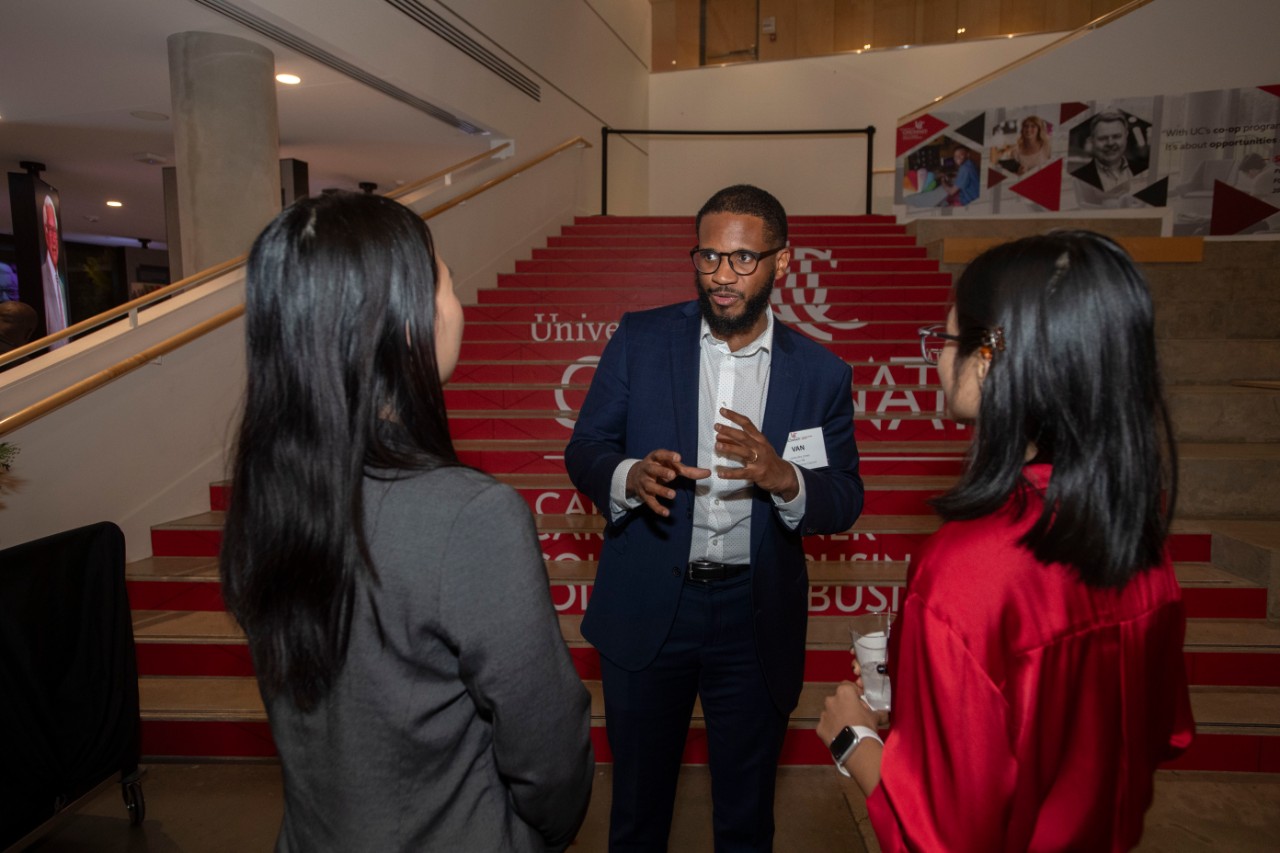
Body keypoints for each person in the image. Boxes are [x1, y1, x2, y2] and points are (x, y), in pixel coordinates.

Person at [220, 191, 593, 852]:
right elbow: (547, 747)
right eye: (447, 280)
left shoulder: (267, 493)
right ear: (403, 319)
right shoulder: (470, 514)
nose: (459, 304)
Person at [815, 231, 1194, 852]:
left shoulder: (969, 568)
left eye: (946, 339)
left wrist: (853, 740)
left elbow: (941, 839)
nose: (937, 359)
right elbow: (1161, 733)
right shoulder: (1139, 543)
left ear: (988, 358)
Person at [565, 184, 864, 851]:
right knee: (637, 815)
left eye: (741, 260)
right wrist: (629, 475)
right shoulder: (641, 340)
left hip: (753, 618)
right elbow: (585, 447)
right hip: (649, 606)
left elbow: (844, 496)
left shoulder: (820, 373)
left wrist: (784, 477)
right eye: (708, 257)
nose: (721, 276)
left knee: (746, 819)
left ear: (781, 262)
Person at [1071, 110, 1148, 193]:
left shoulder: (1144, 169)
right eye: (1103, 138)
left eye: (1116, 136)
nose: (1110, 143)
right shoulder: (1078, 177)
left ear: (1126, 137)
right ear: (1092, 141)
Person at [40, 196, 69, 346]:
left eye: (54, 230)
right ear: (44, 232)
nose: (53, 237)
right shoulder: (42, 277)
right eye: (49, 230)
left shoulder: (60, 283)